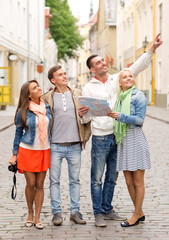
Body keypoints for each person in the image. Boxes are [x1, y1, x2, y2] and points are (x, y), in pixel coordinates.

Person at [78, 33, 162, 227]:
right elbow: (86, 116)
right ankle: (98, 212)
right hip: (100, 137)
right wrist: (84, 114)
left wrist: (151, 49)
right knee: (97, 178)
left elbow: (136, 68)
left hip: (119, 135)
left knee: (112, 178)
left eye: (103, 60)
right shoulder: (88, 88)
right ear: (92, 69)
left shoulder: (116, 80)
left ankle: (107, 209)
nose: (103, 63)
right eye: (99, 62)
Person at [42, 65, 91, 226]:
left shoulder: (77, 94)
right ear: (53, 80)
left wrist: (84, 135)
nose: (64, 76)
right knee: (54, 180)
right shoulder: (46, 98)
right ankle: (57, 213)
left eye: (64, 73)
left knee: (74, 180)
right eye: (60, 75)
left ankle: (75, 212)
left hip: (75, 144)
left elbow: (87, 116)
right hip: (55, 145)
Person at [107, 69, 150, 227]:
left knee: (138, 181)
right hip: (123, 140)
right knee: (128, 181)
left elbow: (139, 120)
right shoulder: (119, 98)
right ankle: (139, 212)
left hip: (135, 138)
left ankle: (135, 215)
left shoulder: (138, 96)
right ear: (119, 82)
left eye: (130, 76)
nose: (128, 78)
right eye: (124, 77)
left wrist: (121, 116)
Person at [9, 80, 52, 229]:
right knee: (31, 184)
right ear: (28, 94)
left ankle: (38, 217)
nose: (39, 88)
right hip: (27, 149)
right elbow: (18, 133)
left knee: (40, 185)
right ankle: (29, 213)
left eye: (38, 85)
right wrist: (15, 154)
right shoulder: (23, 110)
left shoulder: (47, 107)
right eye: (35, 88)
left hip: (44, 149)